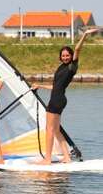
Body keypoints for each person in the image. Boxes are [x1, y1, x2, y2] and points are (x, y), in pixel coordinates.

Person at [33, 28, 98, 165]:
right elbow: (56, 86)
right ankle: (67, 157)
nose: (65, 57)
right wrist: (40, 85)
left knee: (49, 129)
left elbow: (78, 49)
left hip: (57, 100)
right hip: (58, 98)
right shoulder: (61, 67)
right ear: (60, 57)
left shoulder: (72, 67)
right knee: (56, 130)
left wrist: (84, 35)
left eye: (68, 55)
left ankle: (48, 158)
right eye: (63, 55)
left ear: (71, 56)